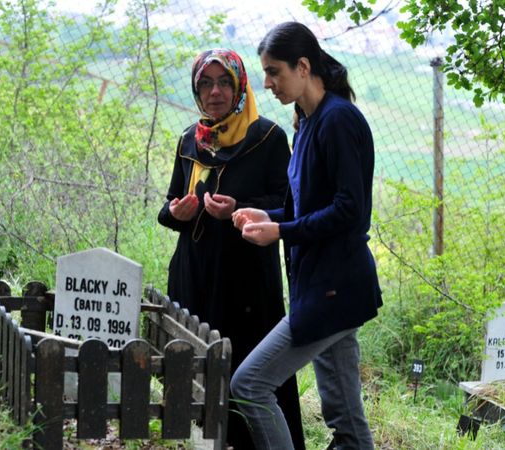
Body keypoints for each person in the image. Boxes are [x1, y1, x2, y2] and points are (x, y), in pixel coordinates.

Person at [230, 22, 383, 450]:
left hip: (334, 289)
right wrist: (268, 216)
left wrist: (281, 230)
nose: (268, 83)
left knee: (249, 384)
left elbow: (350, 212)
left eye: (274, 71)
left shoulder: (338, 120)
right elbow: (308, 210)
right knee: (348, 426)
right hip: (322, 286)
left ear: (303, 66)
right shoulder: (309, 121)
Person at [157, 48, 305, 450]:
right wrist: (178, 212)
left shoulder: (268, 138)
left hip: (246, 281)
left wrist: (239, 210)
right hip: (194, 274)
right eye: (205, 83)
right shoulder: (191, 139)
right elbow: (168, 208)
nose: (215, 92)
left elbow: (289, 208)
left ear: (240, 86)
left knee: (249, 369)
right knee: (197, 370)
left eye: (224, 82)